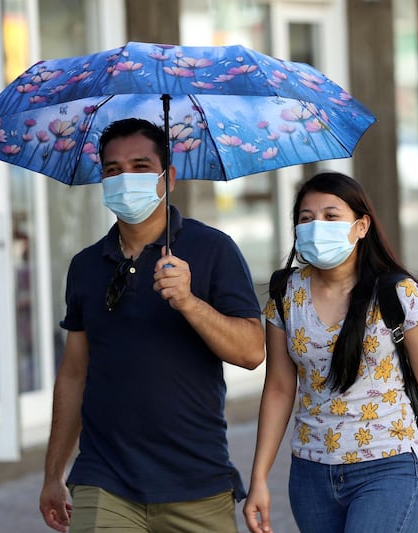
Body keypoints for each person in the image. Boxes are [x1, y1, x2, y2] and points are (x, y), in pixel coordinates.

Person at [243, 172, 418, 533]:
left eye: (330, 216)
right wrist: (259, 478)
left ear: (361, 226)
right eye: (306, 219)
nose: (315, 226)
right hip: (311, 475)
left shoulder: (399, 294)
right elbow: (279, 388)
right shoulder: (285, 295)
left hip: (388, 467)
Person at [39, 118, 265, 532]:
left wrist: (189, 302)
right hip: (104, 477)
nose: (126, 179)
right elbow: (73, 374)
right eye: (113, 170)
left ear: (169, 177)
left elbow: (252, 352)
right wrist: (53, 472)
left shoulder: (213, 249)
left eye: (141, 167)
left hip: (196, 479)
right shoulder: (85, 265)